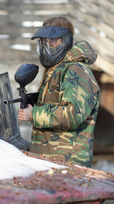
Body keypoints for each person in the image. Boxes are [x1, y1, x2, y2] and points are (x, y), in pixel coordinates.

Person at [18, 16, 100, 168]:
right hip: (51, 159)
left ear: (66, 40)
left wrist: (34, 114)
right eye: (43, 41)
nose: (47, 46)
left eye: (53, 41)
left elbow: (72, 114)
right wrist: (35, 101)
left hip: (68, 163)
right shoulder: (57, 68)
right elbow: (57, 101)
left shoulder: (75, 70)